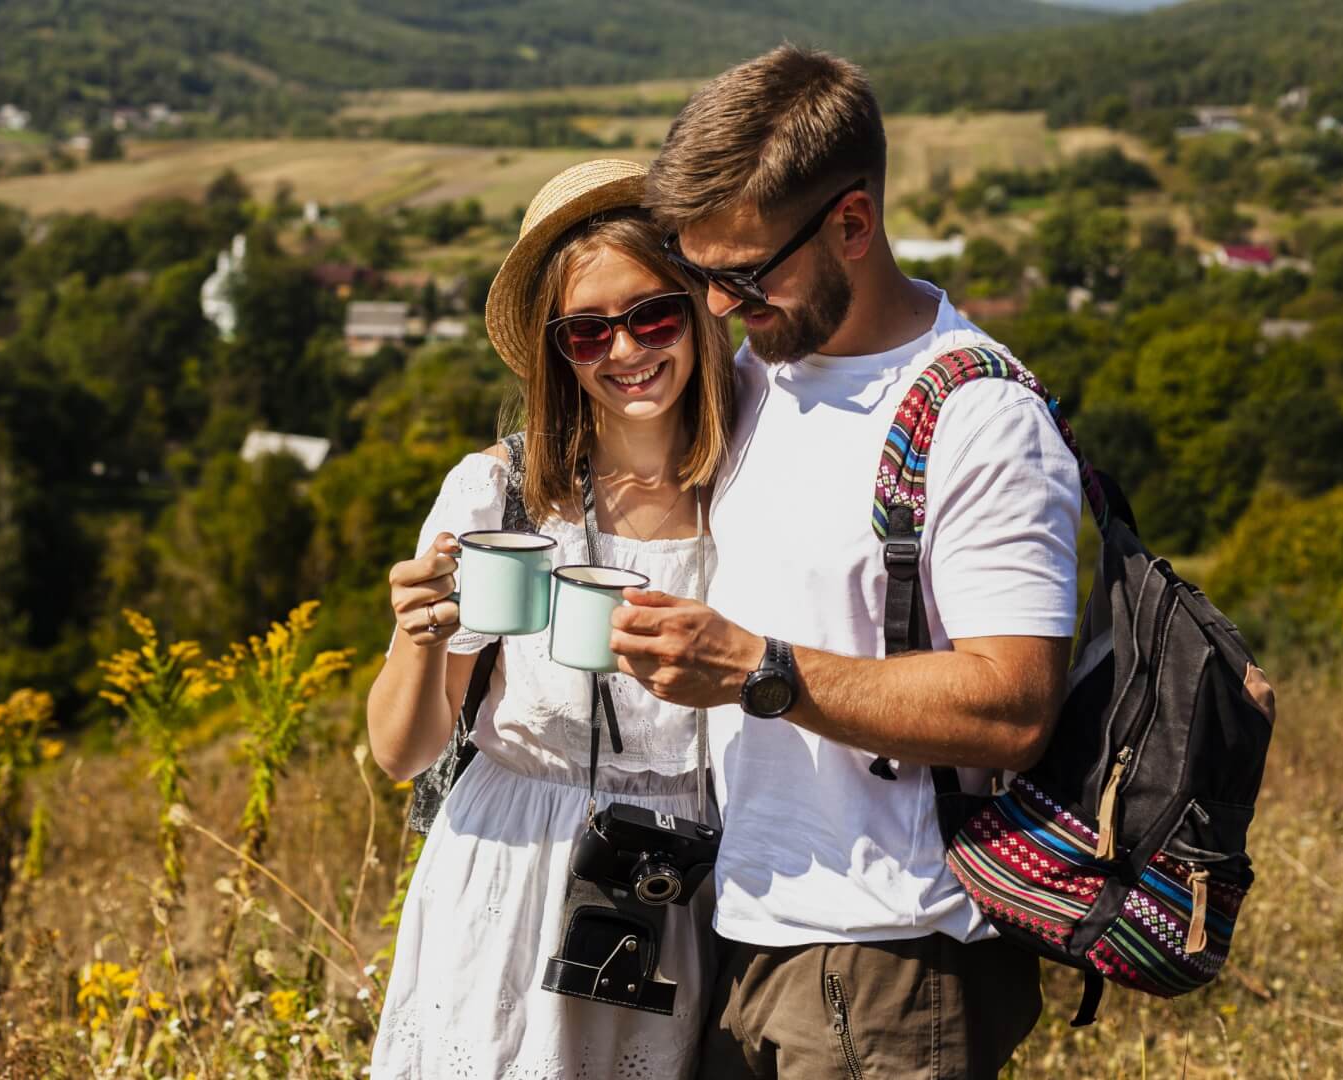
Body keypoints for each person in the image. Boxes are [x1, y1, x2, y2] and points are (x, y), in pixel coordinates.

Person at [607, 47, 1084, 1078]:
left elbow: (1014, 707)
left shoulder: (979, 417)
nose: (723, 306)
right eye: (704, 278)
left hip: (891, 960)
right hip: (737, 933)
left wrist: (756, 671)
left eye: (744, 275)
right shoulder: (761, 374)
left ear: (854, 225)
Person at [367, 159, 736, 1078]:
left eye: (652, 314)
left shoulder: (752, 492)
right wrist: (421, 640)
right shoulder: (500, 492)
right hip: (512, 867)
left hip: (677, 880)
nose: (625, 352)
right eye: (585, 333)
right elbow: (400, 752)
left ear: (696, 309)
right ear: (554, 350)